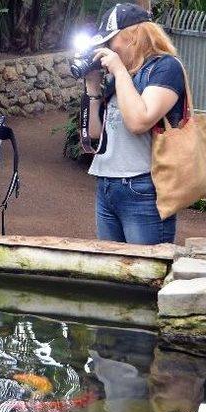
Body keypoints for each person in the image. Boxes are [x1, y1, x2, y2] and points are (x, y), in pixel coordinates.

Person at [85, 3, 185, 244]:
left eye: (111, 41)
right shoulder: (122, 74)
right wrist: (93, 90)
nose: (107, 49)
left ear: (134, 35)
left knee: (144, 273)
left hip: (143, 187)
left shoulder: (165, 67)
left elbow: (139, 122)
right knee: (111, 273)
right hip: (106, 183)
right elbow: (95, 135)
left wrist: (119, 72)